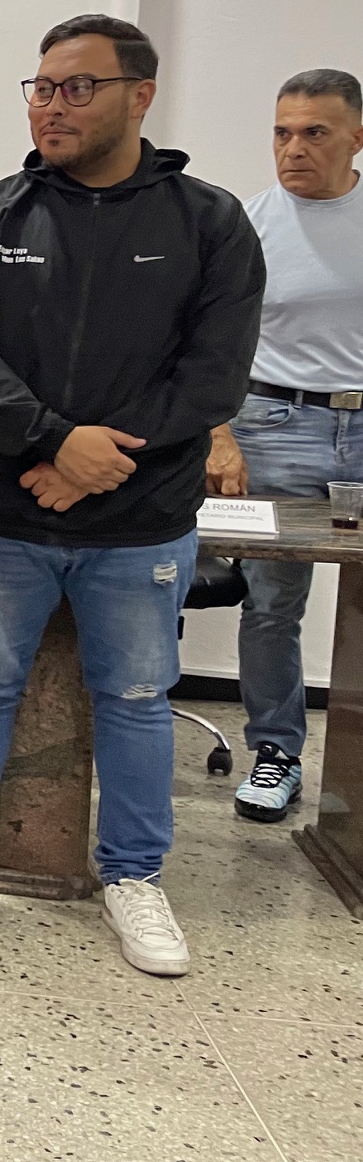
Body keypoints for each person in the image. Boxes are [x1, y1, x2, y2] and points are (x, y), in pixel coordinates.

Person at [0, 14, 264, 977]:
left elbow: (213, 374)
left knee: (139, 697)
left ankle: (135, 877)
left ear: (140, 96)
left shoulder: (207, 223)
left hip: (139, 517)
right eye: (41, 88)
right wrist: (56, 443)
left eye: (77, 87)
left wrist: (99, 460)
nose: (51, 106)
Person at [205, 68, 363, 822]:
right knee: (273, 603)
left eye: (314, 133)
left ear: (356, 138)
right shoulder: (249, 224)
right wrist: (219, 436)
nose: (293, 148)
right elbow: (207, 342)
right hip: (274, 424)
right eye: (282, 132)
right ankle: (277, 753)